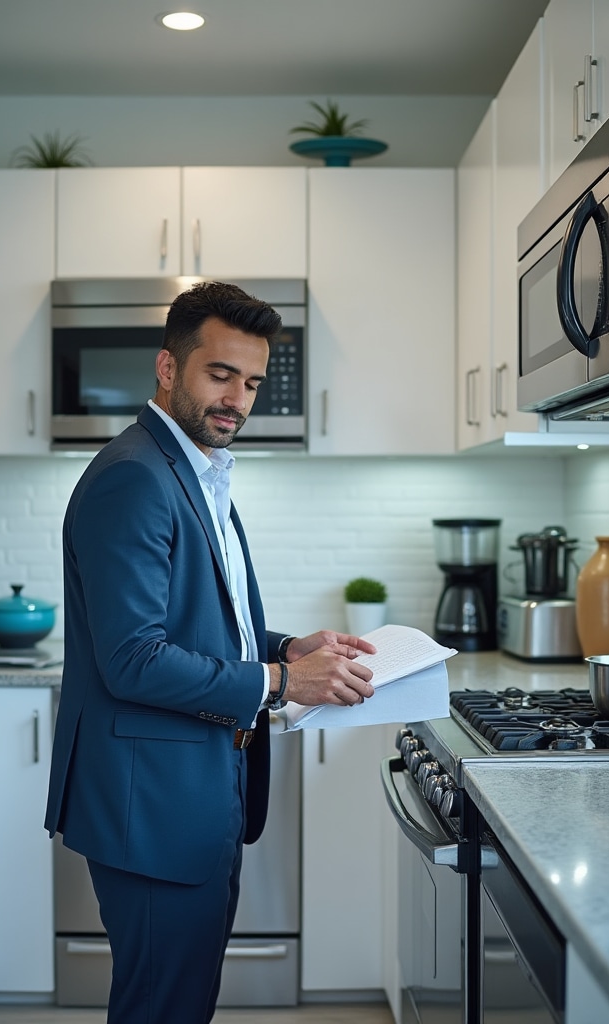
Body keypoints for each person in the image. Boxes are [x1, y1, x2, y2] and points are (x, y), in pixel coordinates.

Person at [44, 280, 377, 1024]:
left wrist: (289, 643)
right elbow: (132, 657)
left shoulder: (194, 474)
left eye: (252, 382)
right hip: (155, 805)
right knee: (163, 1007)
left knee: (182, 1002)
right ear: (168, 368)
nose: (238, 398)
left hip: (194, 794)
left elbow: (202, 625)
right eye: (219, 374)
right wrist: (286, 678)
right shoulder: (134, 478)